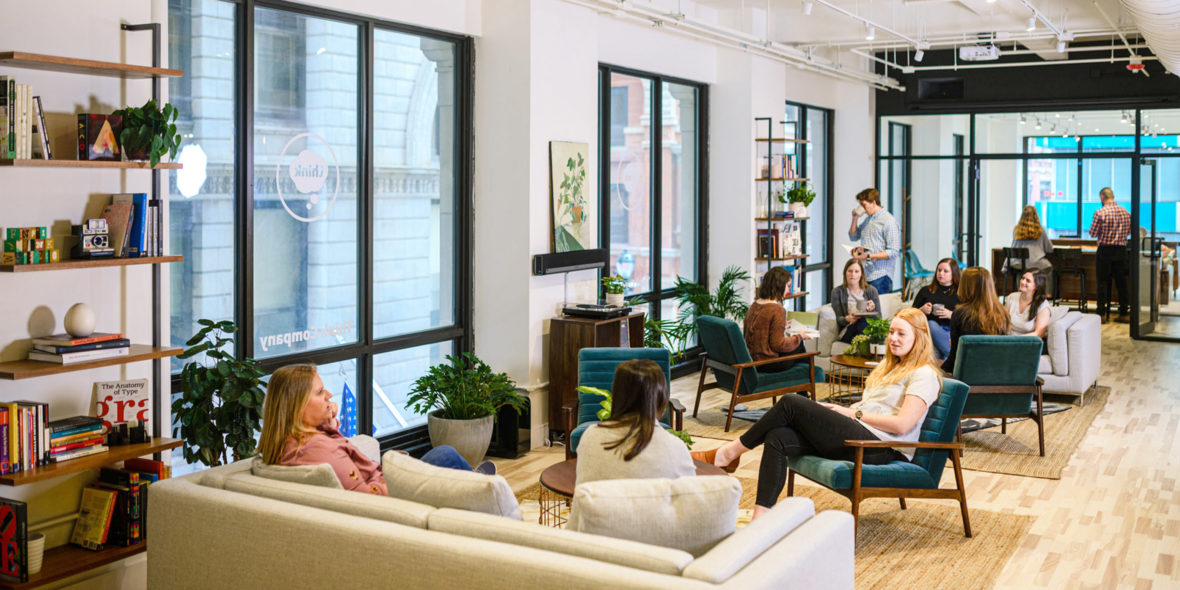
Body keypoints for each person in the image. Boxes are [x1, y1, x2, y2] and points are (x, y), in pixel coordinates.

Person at [699, 308, 942, 521]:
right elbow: (870, 405)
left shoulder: (924, 374)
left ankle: (729, 453)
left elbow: (902, 425)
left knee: (791, 402)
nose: (893, 339)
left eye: (901, 334)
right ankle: (760, 518)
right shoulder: (890, 367)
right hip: (861, 434)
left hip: (880, 447)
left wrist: (852, 413)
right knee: (779, 436)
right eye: (891, 332)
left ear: (919, 338)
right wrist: (840, 413)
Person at [257, 364, 493, 495]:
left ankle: (475, 481)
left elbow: (341, 457)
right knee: (446, 455)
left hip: (382, 480)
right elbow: (366, 497)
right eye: (319, 392)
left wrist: (329, 427)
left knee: (445, 456)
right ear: (296, 407)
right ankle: (483, 489)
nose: (329, 395)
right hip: (393, 494)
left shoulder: (289, 441)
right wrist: (405, 475)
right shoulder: (318, 449)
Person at [575, 359, 695, 486]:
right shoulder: (675, 448)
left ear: (617, 395)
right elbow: (688, 498)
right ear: (661, 399)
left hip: (602, 506)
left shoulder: (590, 437)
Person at [743, 267, 813, 372]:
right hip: (767, 363)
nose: (789, 290)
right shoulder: (777, 309)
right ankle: (804, 381)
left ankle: (801, 381)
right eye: (788, 286)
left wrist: (781, 325)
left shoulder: (755, 305)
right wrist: (800, 336)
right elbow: (779, 345)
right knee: (799, 345)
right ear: (780, 286)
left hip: (752, 360)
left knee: (797, 347)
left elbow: (759, 330)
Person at [942, 267, 1010, 371]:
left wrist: (939, 371)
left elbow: (954, 357)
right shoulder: (1003, 313)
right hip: (997, 372)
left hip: (968, 375)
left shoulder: (960, 314)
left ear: (966, 287)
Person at [1088, 187, 1131, 323]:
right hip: (1121, 251)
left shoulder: (1100, 213)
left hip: (1105, 251)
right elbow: (1129, 232)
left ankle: (1101, 315)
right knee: (1121, 283)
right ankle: (1124, 313)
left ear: (1102, 197)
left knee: (1102, 283)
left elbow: (1093, 233)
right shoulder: (1125, 212)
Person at [848, 187, 901, 295]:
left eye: (864, 205)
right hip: (866, 274)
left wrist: (868, 256)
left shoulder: (888, 221)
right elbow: (853, 236)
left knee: (877, 310)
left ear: (873, 202)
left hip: (881, 276)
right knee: (866, 310)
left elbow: (893, 251)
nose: (862, 209)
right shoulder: (869, 220)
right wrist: (855, 218)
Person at [912, 258, 960, 360]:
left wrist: (952, 315)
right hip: (930, 334)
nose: (941, 273)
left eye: (945, 271)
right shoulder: (926, 290)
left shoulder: (961, 293)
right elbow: (911, 315)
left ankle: (948, 357)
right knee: (931, 324)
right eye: (939, 270)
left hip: (952, 333)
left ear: (954, 273)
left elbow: (967, 318)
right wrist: (921, 310)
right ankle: (952, 356)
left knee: (934, 357)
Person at [830, 258, 881, 343]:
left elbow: (879, 319)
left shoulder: (871, 290)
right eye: (850, 271)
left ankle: (863, 346)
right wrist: (847, 319)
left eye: (856, 271)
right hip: (849, 330)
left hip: (868, 329)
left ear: (861, 274)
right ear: (845, 273)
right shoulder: (837, 292)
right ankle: (866, 346)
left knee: (863, 321)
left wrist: (871, 311)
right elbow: (839, 319)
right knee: (861, 321)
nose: (853, 274)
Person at [1010, 206, 1054, 296]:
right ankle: (1047, 293)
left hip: (1019, 263)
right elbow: (1049, 249)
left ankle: (1020, 293)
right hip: (1036, 263)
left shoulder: (1016, 230)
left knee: (1020, 270)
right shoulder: (1041, 231)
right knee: (1048, 268)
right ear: (1036, 216)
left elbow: (1013, 246)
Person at [1007, 271, 1051, 339]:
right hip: (1007, 340)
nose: (1022, 282)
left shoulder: (1043, 306)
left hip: (1028, 343)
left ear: (1037, 286)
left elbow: (1038, 334)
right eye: (1022, 278)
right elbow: (1002, 322)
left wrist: (1014, 340)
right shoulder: (1012, 297)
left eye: (1028, 281)